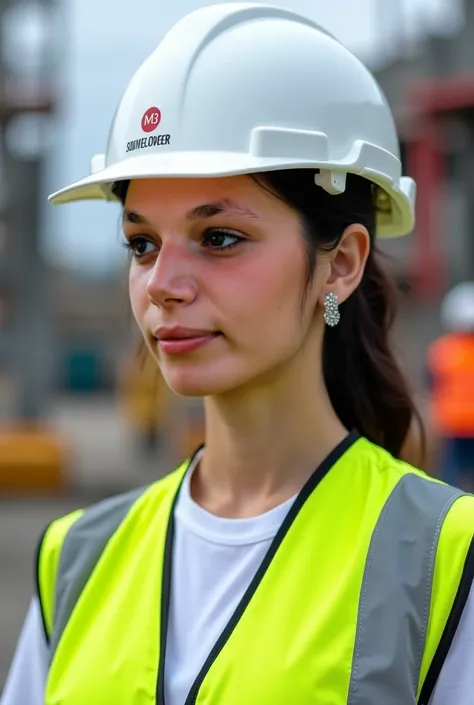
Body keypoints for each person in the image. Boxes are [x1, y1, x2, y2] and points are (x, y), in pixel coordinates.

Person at [2, 4, 474, 704]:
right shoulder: (74, 556)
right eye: (141, 243)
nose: (162, 284)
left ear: (341, 263)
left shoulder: (447, 558)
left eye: (219, 237)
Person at [427, 281, 474, 489]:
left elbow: (430, 382)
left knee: (450, 480)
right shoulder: (443, 351)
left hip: (450, 424)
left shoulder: (442, 350)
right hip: (456, 425)